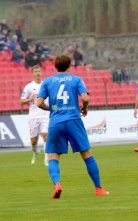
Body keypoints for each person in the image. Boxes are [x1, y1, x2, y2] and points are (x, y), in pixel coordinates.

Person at [36, 55, 109, 199]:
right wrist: (84, 108)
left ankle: (57, 184)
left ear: (55, 66)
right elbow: (86, 98)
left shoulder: (47, 81)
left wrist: (51, 109)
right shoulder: (76, 79)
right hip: (73, 120)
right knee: (87, 154)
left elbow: (38, 103)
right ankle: (98, 188)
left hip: (56, 122)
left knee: (52, 156)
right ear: (69, 66)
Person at [20, 65, 49, 166]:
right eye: (36, 71)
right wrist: (29, 99)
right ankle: (36, 152)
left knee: (46, 136)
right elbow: (21, 101)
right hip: (33, 116)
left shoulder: (46, 84)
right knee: (33, 141)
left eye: (39, 71)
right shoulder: (29, 87)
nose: (38, 73)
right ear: (32, 74)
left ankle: (46, 159)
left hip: (45, 114)